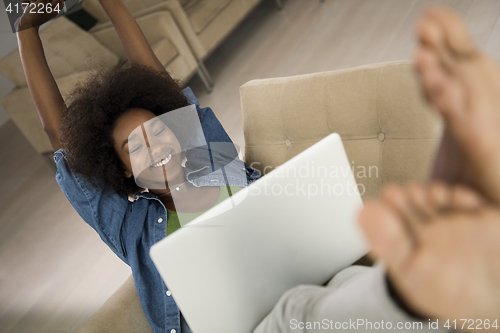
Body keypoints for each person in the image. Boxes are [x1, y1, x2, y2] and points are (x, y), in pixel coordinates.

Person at [15, 1, 259, 332]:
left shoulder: (214, 163)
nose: (156, 147)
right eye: (135, 147)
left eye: (159, 130)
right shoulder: (133, 226)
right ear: (124, 169)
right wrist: (26, 30)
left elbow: (161, 83)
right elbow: (59, 137)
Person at [254, 6, 500, 332]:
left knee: (337, 285)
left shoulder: (208, 157)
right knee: (293, 314)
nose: (160, 147)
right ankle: (418, 289)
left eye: (160, 128)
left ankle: (417, 290)